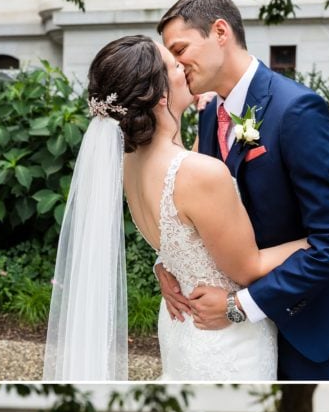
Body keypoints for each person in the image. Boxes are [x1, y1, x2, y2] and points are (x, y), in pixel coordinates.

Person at [156, 0, 329, 380]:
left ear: (220, 31)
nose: (177, 65)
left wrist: (239, 306)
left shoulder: (297, 110)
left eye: (180, 49)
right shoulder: (210, 114)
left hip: (312, 325)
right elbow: (200, 214)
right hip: (245, 337)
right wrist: (167, 263)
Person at [43, 35, 311, 381]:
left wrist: (161, 264)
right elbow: (248, 268)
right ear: (159, 96)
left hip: (180, 323)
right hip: (224, 337)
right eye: (174, 65)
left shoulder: (128, 163)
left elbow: (178, 237)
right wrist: (315, 239)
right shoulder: (199, 173)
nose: (183, 67)